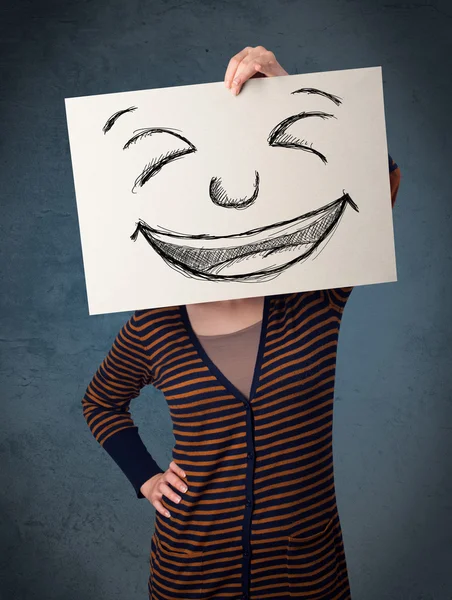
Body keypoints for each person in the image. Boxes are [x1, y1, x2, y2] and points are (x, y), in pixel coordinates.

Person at [82, 46, 401, 600]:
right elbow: (101, 402)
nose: (232, 192)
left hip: (307, 574)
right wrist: (146, 477)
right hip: (191, 573)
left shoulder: (315, 294)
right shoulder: (154, 323)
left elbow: (381, 186)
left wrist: (288, 91)